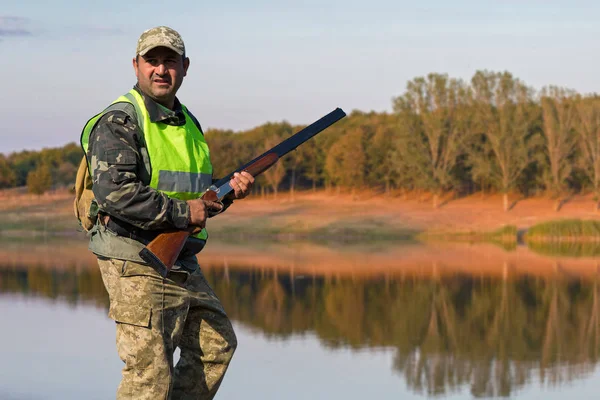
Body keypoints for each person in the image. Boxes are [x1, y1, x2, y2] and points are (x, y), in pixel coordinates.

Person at [79, 26, 254, 399]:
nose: (161, 69)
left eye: (170, 61)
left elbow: (196, 203)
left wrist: (227, 193)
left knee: (215, 347)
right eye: (152, 61)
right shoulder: (120, 120)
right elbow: (115, 194)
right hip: (134, 257)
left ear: (185, 67)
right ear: (136, 65)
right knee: (149, 376)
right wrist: (183, 211)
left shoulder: (188, 124)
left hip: (179, 257)